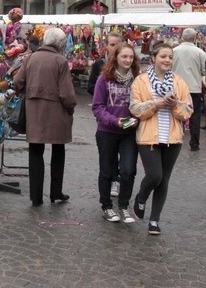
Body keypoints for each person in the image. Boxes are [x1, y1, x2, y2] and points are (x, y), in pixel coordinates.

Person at [130, 42, 192, 236]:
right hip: (149, 136)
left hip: (172, 138)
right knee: (154, 175)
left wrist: (174, 105)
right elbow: (135, 109)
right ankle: (141, 197)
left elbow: (188, 111)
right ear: (154, 58)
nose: (167, 60)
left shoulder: (179, 82)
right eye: (163, 56)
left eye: (170, 57)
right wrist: (156, 104)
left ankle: (154, 220)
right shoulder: (141, 81)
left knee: (164, 180)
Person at [13, 27, 77, 207]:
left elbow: (18, 82)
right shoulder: (60, 61)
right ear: (61, 44)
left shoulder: (30, 58)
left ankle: (36, 197)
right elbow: (67, 94)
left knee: (35, 152)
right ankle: (56, 192)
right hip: (57, 114)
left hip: (35, 113)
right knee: (58, 151)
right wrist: (70, 109)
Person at [92, 43, 140, 224]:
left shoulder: (137, 79)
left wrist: (138, 118)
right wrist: (113, 120)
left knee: (128, 170)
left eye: (130, 57)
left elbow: (142, 104)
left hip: (129, 132)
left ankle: (124, 206)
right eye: (124, 57)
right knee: (107, 171)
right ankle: (106, 206)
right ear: (116, 58)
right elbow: (97, 107)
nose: (128, 60)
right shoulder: (104, 79)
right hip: (107, 131)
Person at [87, 31, 123, 197]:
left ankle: (118, 179)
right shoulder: (99, 65)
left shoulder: (129, 66)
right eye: (112, 44)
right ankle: (112, 179)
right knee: (109, 154)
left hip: (124, 119)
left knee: (125, 154)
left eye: (118, 44)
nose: (115, 48)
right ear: (106, 46)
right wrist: (103, 92)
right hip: (106, 117)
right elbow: (90, 87)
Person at [171, 28, 206, 152]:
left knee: (176, 114)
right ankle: (194, 143)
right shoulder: (200, 52)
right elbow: (205, 71)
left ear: (182, 37)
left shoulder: (173, 51)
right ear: (195, 38)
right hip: (194, 88)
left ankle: (175, 139)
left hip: (176, 88)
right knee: (194, 116)